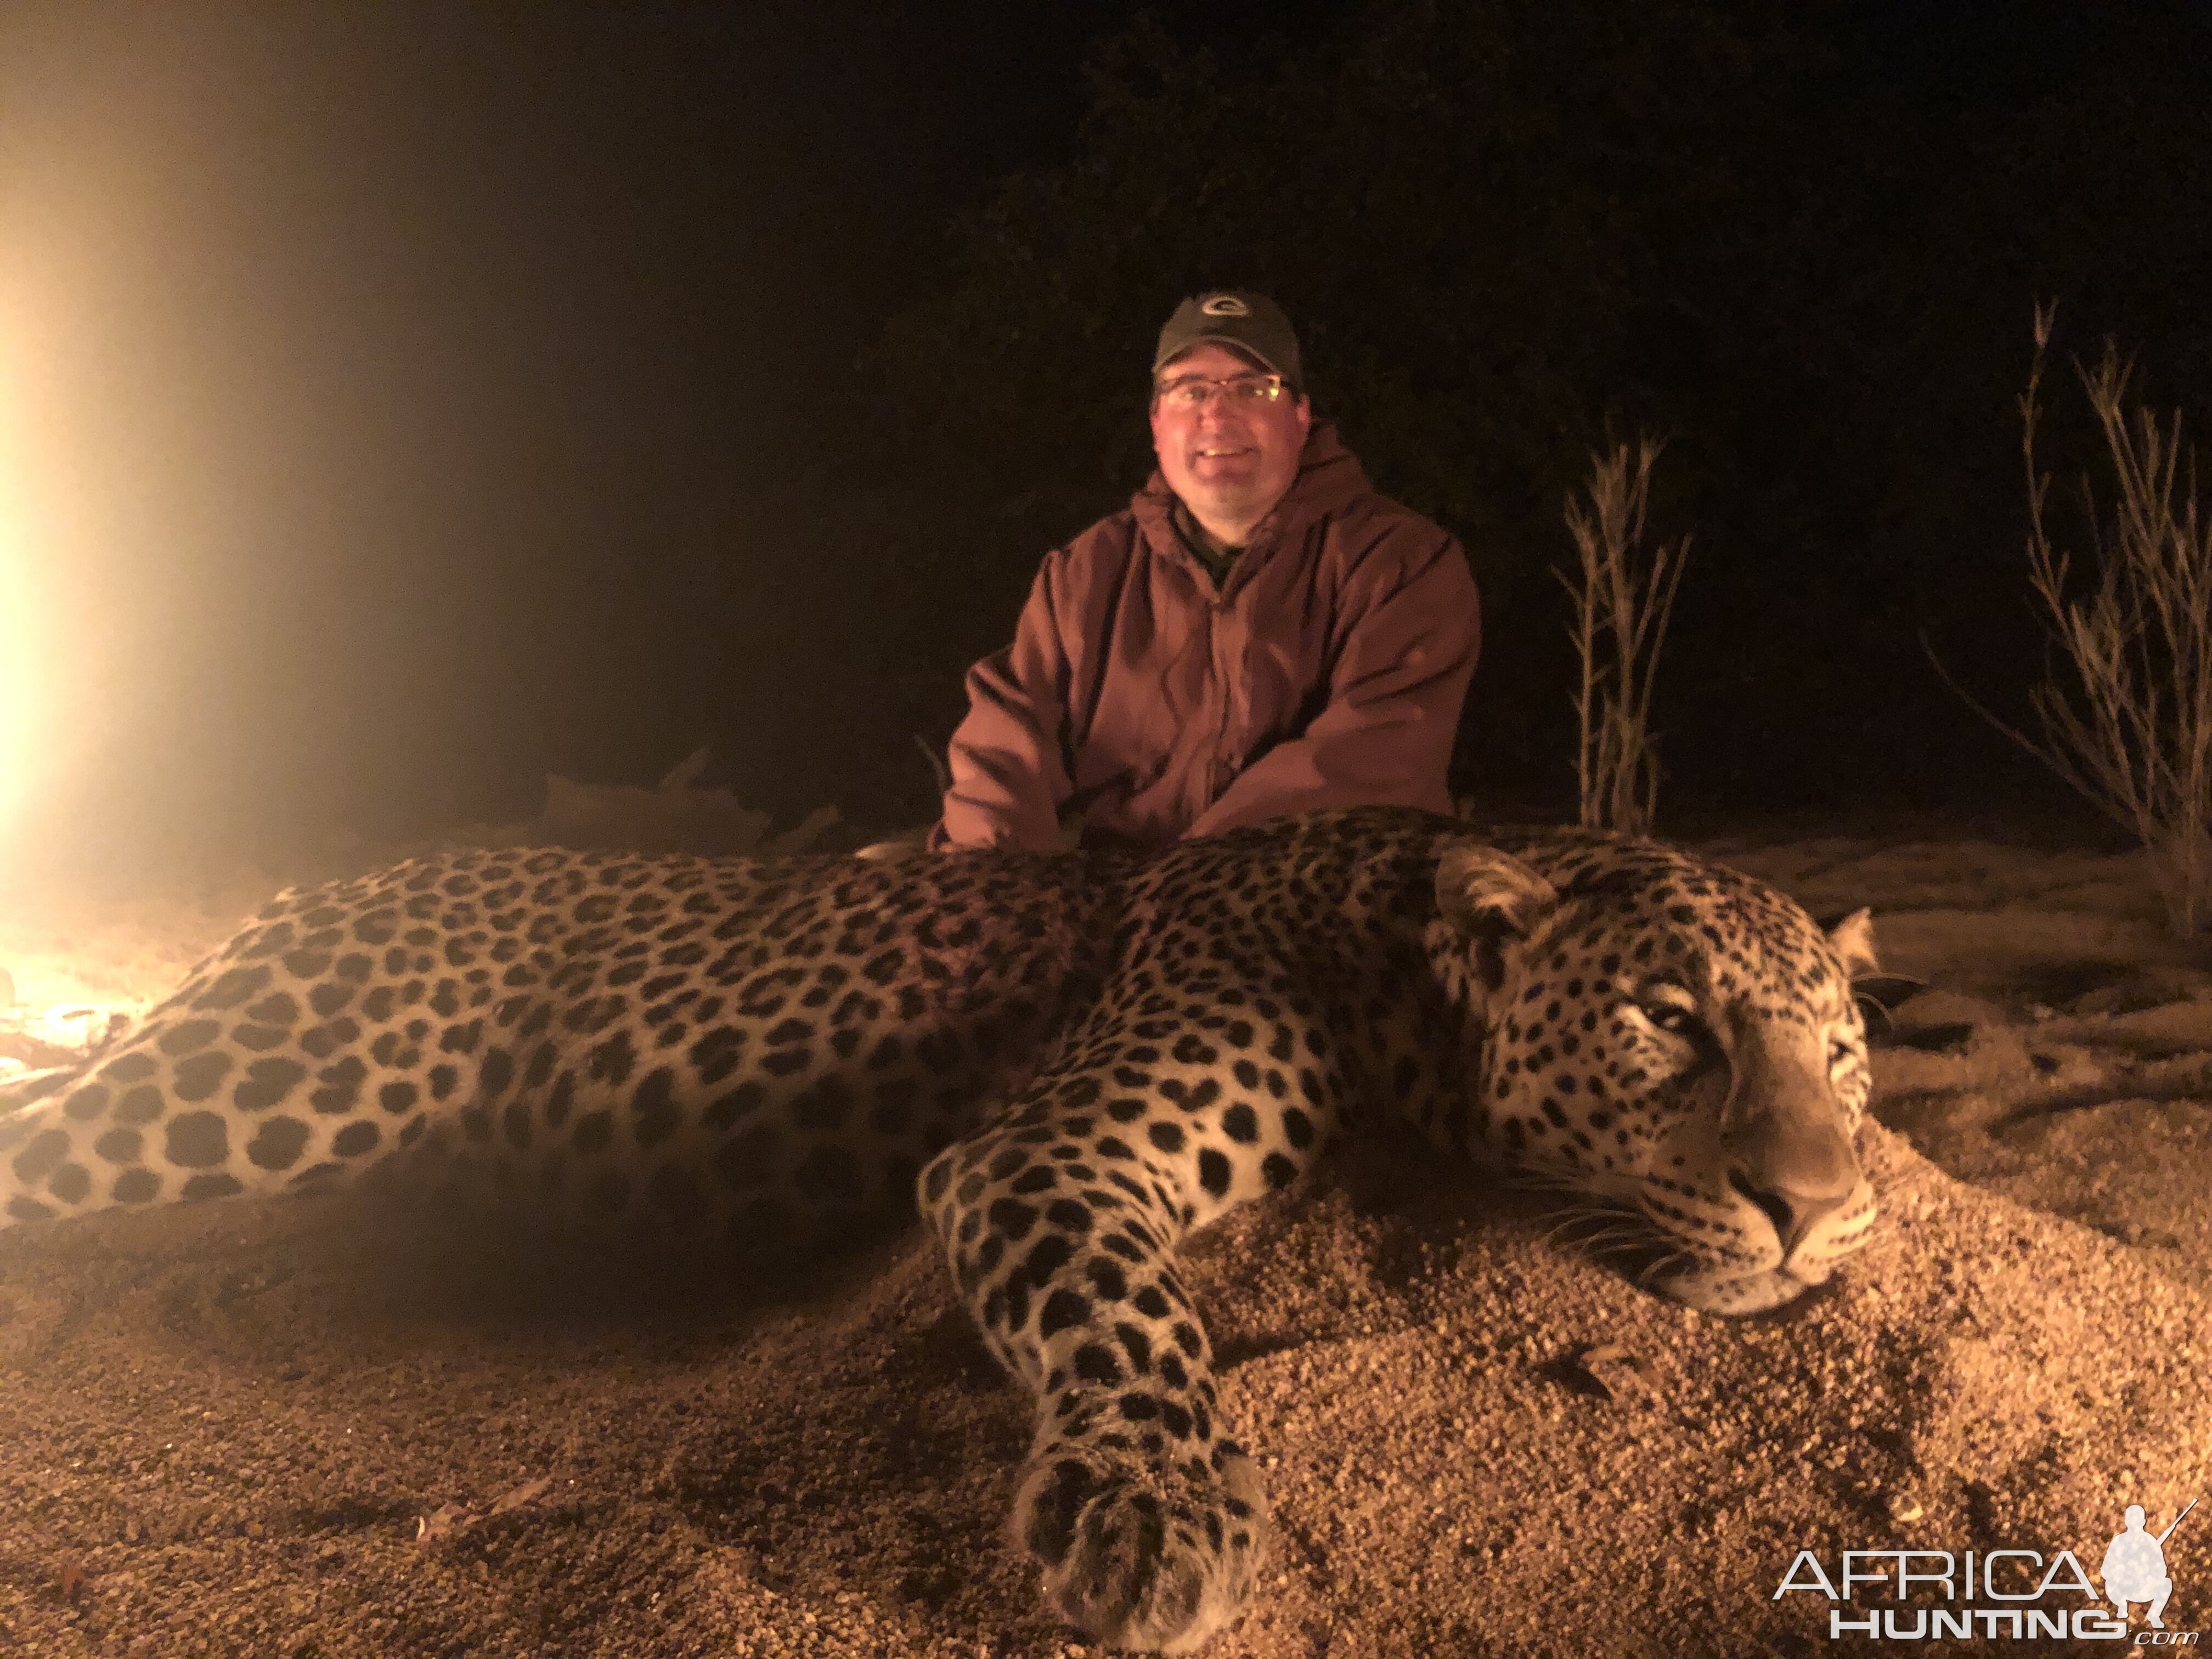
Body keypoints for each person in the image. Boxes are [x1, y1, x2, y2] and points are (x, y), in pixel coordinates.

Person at [927, 290, 1481, 854]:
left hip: (1308, 893)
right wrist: (997, 881)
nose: (1217, 414)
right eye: (1191, 390)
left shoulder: (1402, 561)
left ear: (1300, 416)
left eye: (1251, 388)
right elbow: (1004, 748)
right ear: (1156, 424)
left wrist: (1183, 886)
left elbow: (1375, 757)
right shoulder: (1085, 572)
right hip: (1110, 897)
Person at [2102, 1504, 2175, 1628]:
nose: (2135, 1523)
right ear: (2126, 1522)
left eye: (2138, 1520)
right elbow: (2106, 1570)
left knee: (2166, 1584)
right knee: (2110, 1583)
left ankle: (2154, 1615)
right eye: (2132, 1520)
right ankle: (2122, 1606)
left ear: (2143, 1522)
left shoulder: (2150, 1542)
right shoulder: (2119, 1542)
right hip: (2123, 1588)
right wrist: (2122, 1570)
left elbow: (2162, 1570)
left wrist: (2147, 1571)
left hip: (2144, 1588)